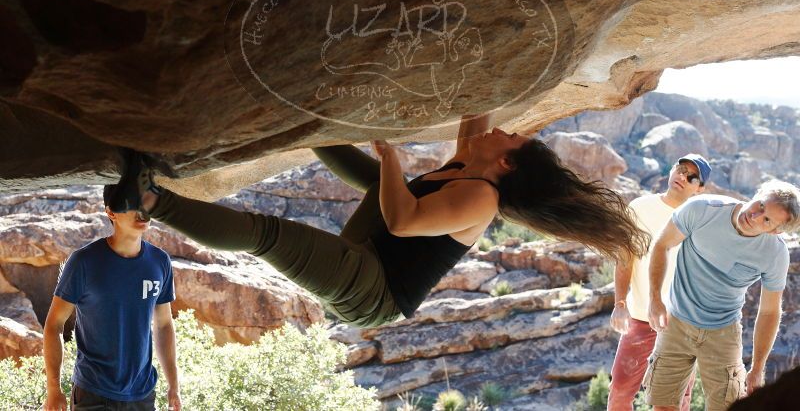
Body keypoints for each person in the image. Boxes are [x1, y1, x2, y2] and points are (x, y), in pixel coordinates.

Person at [107, 113, 649, 328]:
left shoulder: (482, 198)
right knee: (378, 180)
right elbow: (476, 110)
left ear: (505, 163)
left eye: (510, 138)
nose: (501, 131)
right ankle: (312, 126)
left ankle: (148, 202)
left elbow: (407, 220)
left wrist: (393, 158)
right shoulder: (468, 160)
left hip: (374, 293)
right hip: (371, 250)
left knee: (269, 233)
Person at [644, 180, 800, 411]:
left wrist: (757, 368)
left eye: (767, 220)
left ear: (775, 230)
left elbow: (769, 311)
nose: (755, 216)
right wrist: (655, 298)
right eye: (760, 205)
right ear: (757, 193)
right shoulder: (702, 209)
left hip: (723, 332)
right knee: (664, 406)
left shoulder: (775, 254)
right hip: (676, 322)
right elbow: (662, 244)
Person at [42, 185, 181, 411]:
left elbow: (164, 324)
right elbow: (53, 325)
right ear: (111, 212)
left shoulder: (159, 262)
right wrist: (53, 389)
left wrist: (174, 385)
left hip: (143, 394)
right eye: (132, 204)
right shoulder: (83, 262)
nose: (142, 212)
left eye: (145, 204)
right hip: (93, 393)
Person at [607, 154, 711, 411]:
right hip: (640, 319)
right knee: (619, 394)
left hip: (681, 328)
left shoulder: (700, 222)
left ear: (699, 189)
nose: (682, 177)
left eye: (692, 177)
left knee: (672, 404)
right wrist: (620, 303)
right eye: (680, 169)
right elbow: (624, 258)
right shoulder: (640, 207)